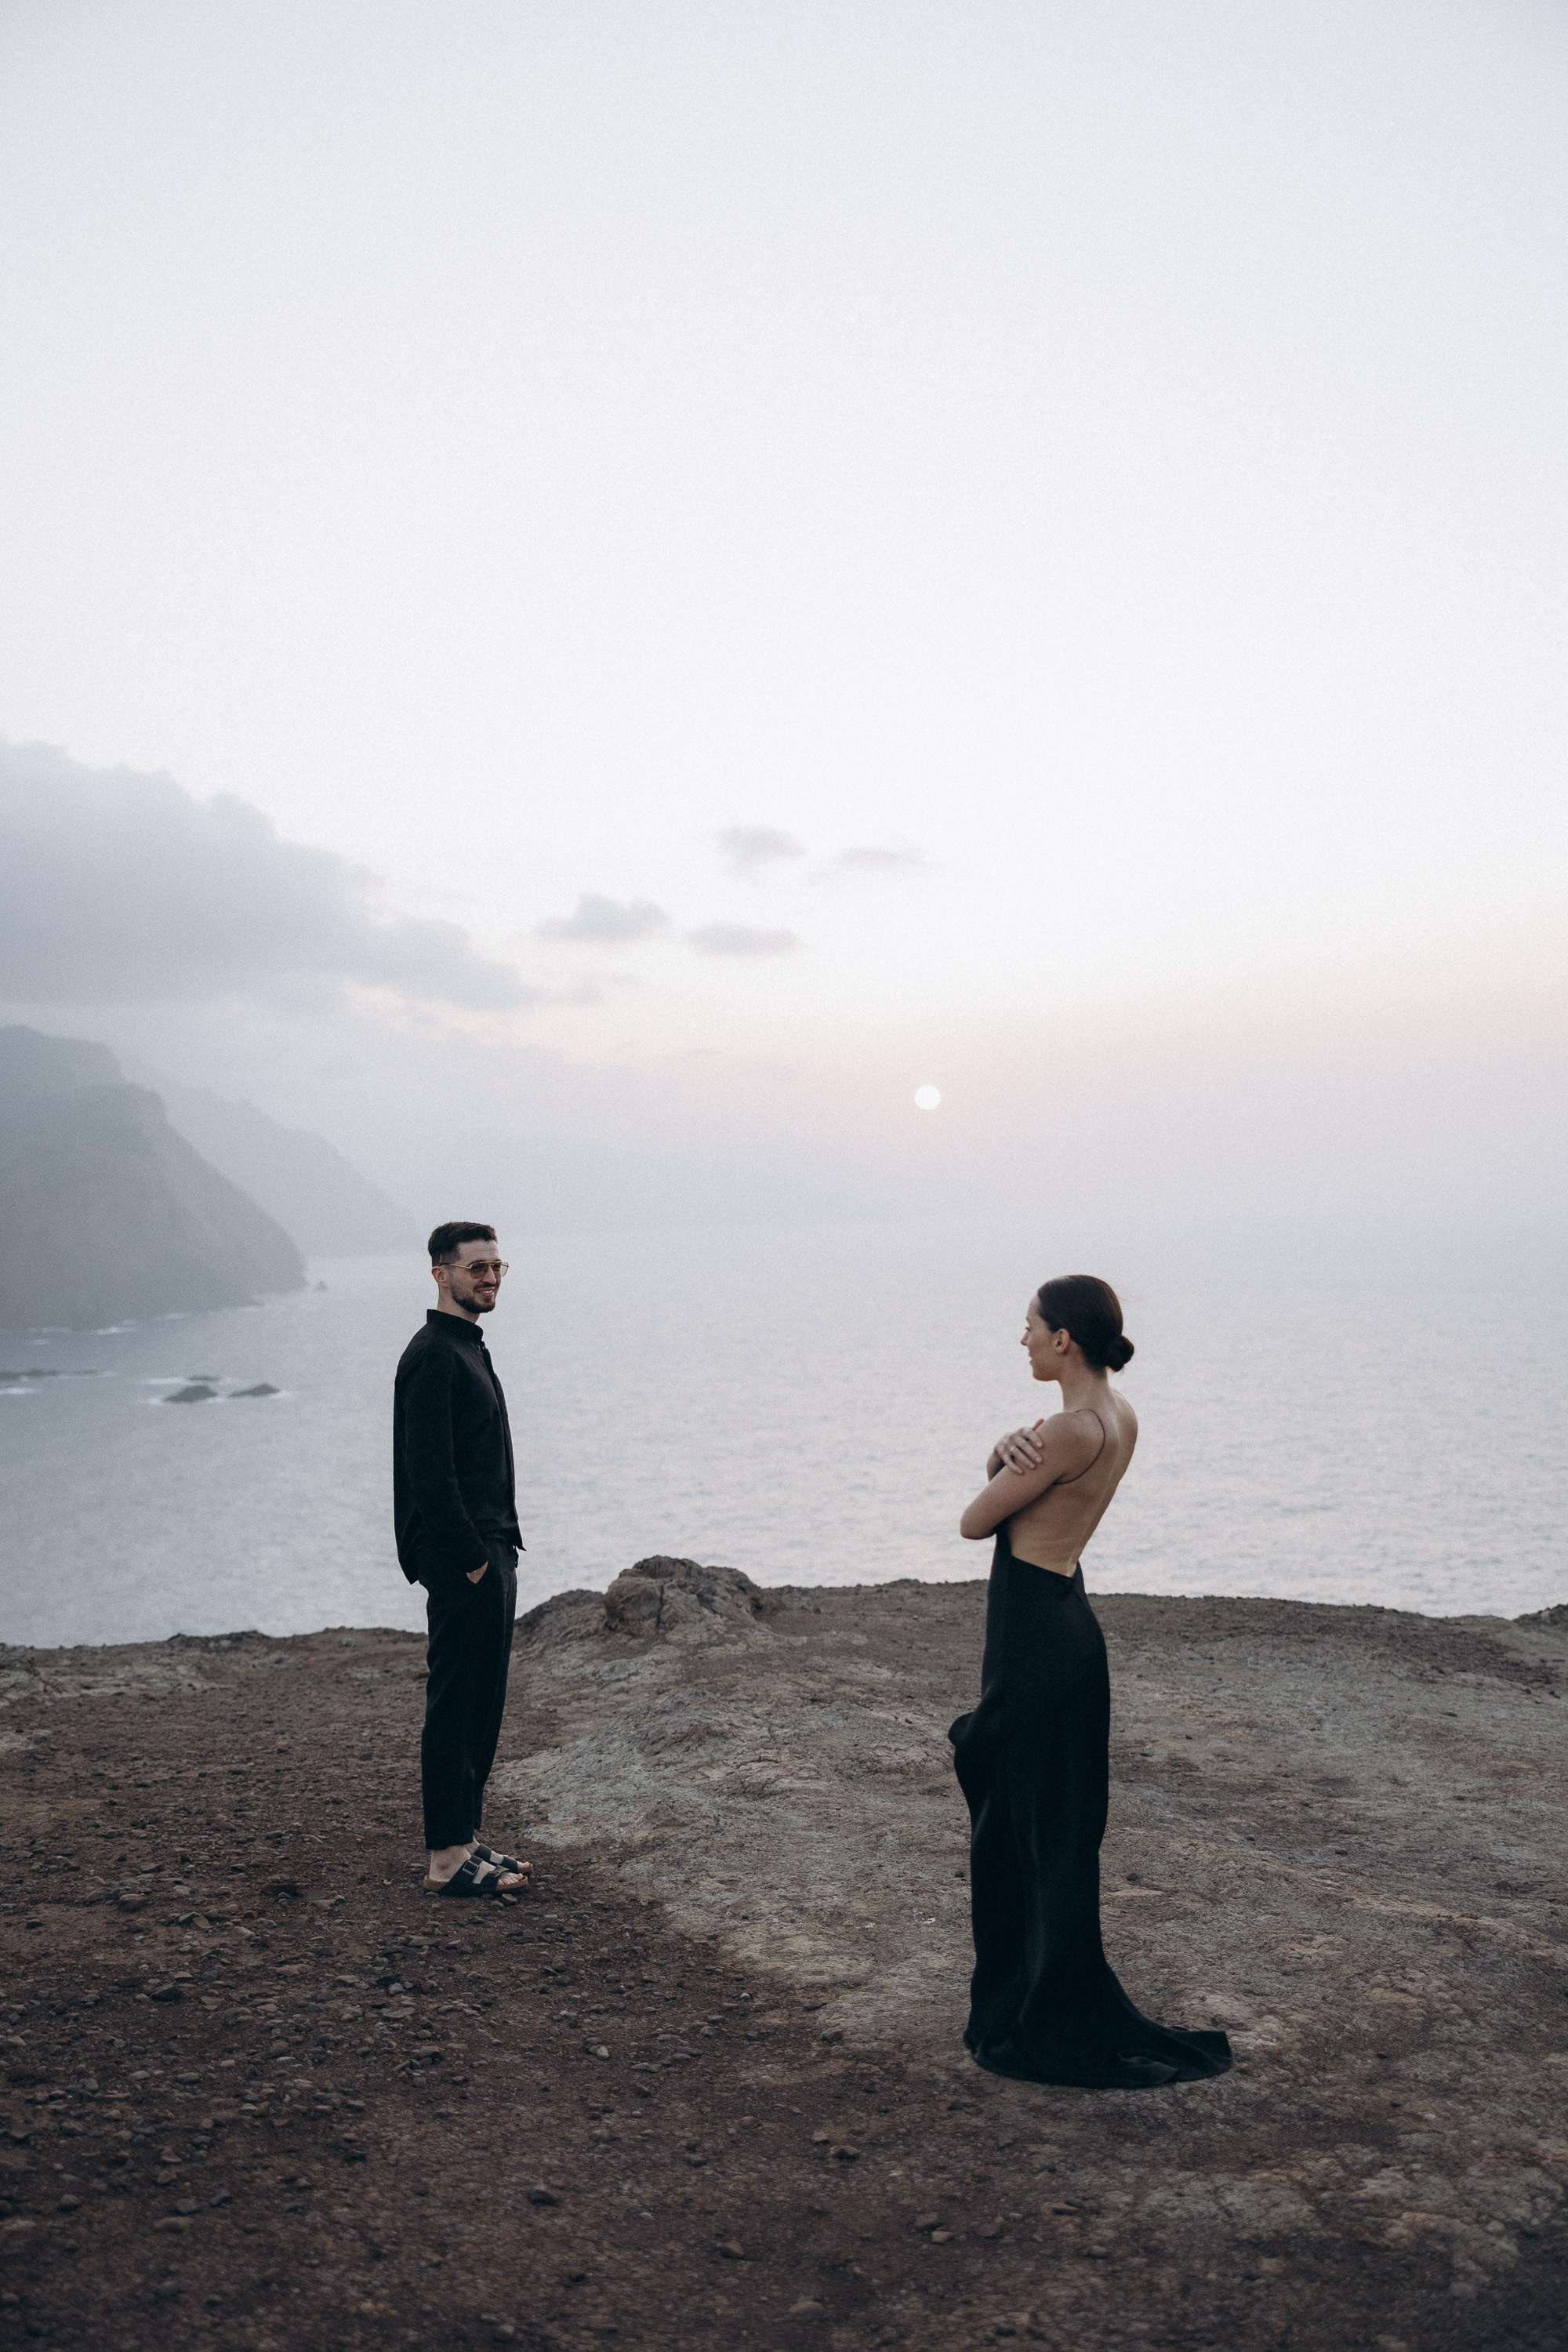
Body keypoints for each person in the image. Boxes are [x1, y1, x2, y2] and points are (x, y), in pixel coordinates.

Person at [949, 1274, 1231, 2089]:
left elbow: (974, 1521)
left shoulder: (1069, 1430)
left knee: (1021, 1828)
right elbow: (1018, 1495)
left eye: (1030, 1326)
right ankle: (1044, 1997)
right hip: (1066, 1618)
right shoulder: (1117, 1414)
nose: (1023, 1340)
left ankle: (1033, 2015)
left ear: (1063, 1338)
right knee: (1054, 1830)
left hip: (1033, 1634)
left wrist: (1006, 1455)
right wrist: (1005, 1449)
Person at [394, 1221, 531, 1899]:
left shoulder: (466, 1347)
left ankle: (465, 1837)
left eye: (497, 1266)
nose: (490, 1277)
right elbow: (430, 1474)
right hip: (464, 1558)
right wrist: (472, 1559)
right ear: (441, 1274)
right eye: (477, 1267)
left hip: (490, 1549)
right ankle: (446, 1857)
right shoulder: (433, 1355)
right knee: (455, 1704)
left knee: (482, 1703)